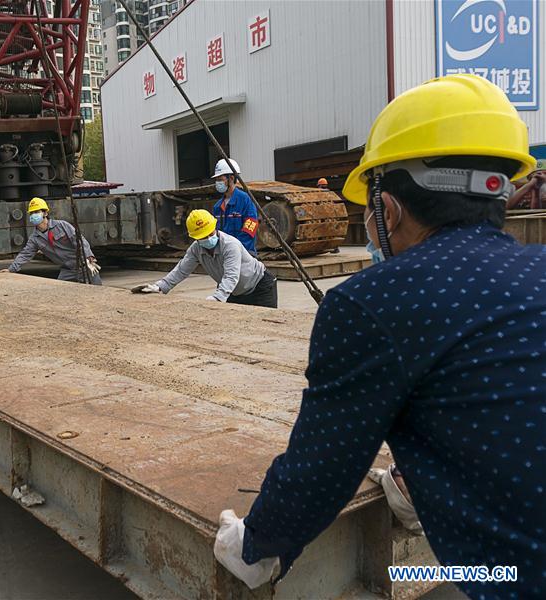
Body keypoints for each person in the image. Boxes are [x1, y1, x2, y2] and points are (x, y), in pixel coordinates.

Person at [213, 74, 545, 596]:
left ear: (386, 210)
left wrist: (254, 544)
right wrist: (425, 475)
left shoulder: (374, 303)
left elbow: (321, 471)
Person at [135, 209, 277, 307]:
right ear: (196, 238)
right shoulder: (196, 248)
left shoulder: (230, 245)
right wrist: (160, 287)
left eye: (211, 233)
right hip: (235, 292)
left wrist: (218, 297)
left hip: (260, 287)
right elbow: (181, 270)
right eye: (204, 236)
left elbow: (231, 276)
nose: (209, 238)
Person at [2, 197, 102, 284]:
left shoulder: (62, 225)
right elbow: (25, 254)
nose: (33, 215)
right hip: (68, 271)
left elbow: (79, 241)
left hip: (86, 266)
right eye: (31, 213)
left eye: (36, 212)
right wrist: (11, 270)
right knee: (58, 294)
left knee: (99, 293)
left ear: (45, 213)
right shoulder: (35, 239)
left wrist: (88, 257)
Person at [211, 159, 260, 255]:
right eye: (216, 180)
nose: (218, 183)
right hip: (224, 254)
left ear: (232, 178)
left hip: (245, 254)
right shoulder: (217, 207)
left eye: (220, 180)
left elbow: (250, 228)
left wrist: (235, 249)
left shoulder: (245, 200)